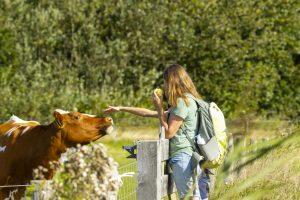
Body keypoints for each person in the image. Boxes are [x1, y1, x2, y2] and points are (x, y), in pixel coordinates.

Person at [104, 64, 210, 200]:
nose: (164, 86)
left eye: (165, 82)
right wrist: (121, 108)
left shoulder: (182, 103)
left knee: (189, 198)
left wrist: (159, 108)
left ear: (172, 81)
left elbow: (168, 133)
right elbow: (147, 113)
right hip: (187, 156)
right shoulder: (188, 100)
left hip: (183, 157)